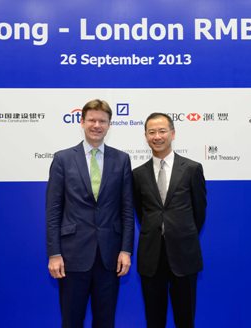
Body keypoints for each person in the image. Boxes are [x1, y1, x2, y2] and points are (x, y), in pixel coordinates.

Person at [45, 99, 134, 328]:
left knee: (105, 321)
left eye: (102, 121)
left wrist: (126, 249)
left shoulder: (122, 160)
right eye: (92, 120)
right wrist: (54, 253)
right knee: (71, 320)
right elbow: (53, 210)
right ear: (82, 121)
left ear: (109, 125)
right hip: (72, 256)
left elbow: (126, 209)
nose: (97, 125)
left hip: (109, 257)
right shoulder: (63, 159)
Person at [133, 113, 207, 328]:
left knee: (185, 319)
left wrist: (181, 233)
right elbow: (141, 212)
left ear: (172, 133)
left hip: (184, 255)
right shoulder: (137, 174)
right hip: (151, 257)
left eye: (162, 131)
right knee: (154, 320)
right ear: (146, 136)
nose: (157, 136)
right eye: (152, 132)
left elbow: (199, 212)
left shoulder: (192, 169)